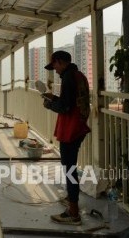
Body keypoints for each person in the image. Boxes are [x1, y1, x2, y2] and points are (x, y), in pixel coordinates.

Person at [42, 50, 91, 225]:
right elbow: (70, 102)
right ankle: (72, 199)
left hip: (70, 130)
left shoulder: (68, 77)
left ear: (60, 62)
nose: (54, 70)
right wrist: (53, 97)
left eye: (54, 65)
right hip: (78, 127)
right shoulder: (79, 75)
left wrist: (49, 104)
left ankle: (73, 213)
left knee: (69, 169)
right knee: (70, 167)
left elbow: (65, 107)